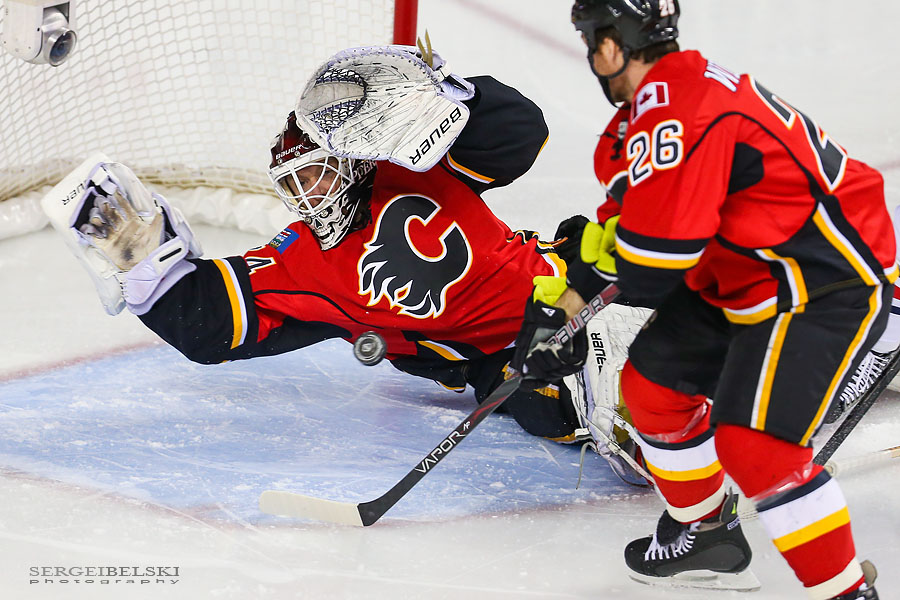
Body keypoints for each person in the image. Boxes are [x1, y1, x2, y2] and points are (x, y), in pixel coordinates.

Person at [514, 2, 895, 598]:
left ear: (611, 45)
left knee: (757, 448)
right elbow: (623, 231)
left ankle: (849, 594)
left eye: (591, 41)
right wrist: (562, 308)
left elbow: (656, 261)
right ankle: (709, 534)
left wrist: (580, 316)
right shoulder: (656, 109)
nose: (593, 56)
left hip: (818, 279)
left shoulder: (676, 109)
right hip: (746, 270)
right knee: (652, 391)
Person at [45, 43, 600, 453]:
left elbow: (521, 133)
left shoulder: (414, 166)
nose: (308, 197)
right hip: (500, 360)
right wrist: (140, 255)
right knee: (557, 412)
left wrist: (441, 94)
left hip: (563, 285)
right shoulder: (303, 261)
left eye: (316, 174)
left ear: (352, 157)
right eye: (295, 184)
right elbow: (209, 323)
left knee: (663, 284)